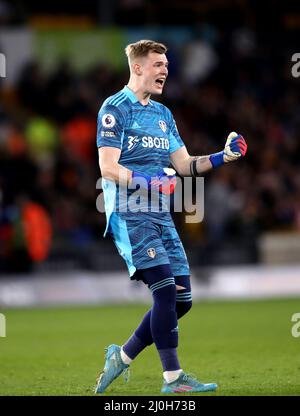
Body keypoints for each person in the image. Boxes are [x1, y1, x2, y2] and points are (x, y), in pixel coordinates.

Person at [95, 40, 247, 394]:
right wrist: (148, 180)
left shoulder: (163, 115)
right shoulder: (114, 108)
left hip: (161, 214)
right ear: (138, 68)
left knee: (183, 300)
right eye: (158, 64)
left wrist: (223, 156)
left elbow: (184, 165)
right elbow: (107, 167)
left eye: (166, 64)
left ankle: (124, 355)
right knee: (165, 293)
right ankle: (173, 379)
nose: (165, 69)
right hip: (131, 213)